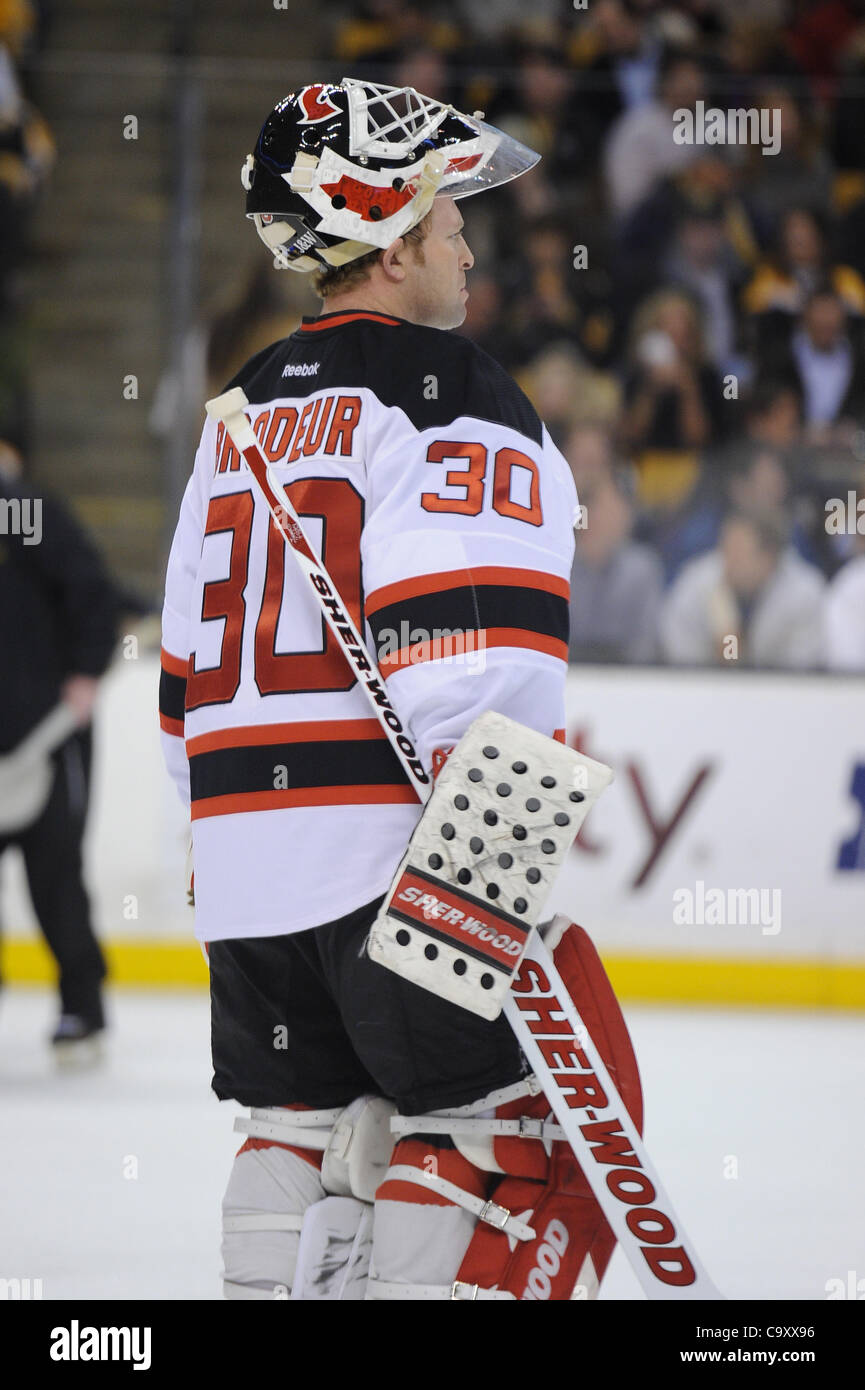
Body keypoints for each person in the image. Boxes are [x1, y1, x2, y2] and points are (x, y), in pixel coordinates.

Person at [159, 79, 640, 1302]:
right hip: (400, 862)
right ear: (387, 230)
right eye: (447, 216)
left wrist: (231, 852)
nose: (469, 243)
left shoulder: (235, 418)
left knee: (294, 1133)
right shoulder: (452, 394)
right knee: (493, 1145)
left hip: (250, 876)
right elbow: (481, 670)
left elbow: (180, 694)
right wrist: (498, 890)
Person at [0, 440, 118, 1057]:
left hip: (43, 735)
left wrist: (83, 677)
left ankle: (82, 1006)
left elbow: (94, 596)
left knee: (55, 875)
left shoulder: (25, 512)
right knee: (58, 877)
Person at [658, 510, 825, 669]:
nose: (726, 563)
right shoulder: (698, 583)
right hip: (707, 692)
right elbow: (681, 663)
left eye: (738, 553)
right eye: (725, 549)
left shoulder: (805, 592)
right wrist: (727, 650)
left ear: (769, 557)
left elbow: (802, 672)